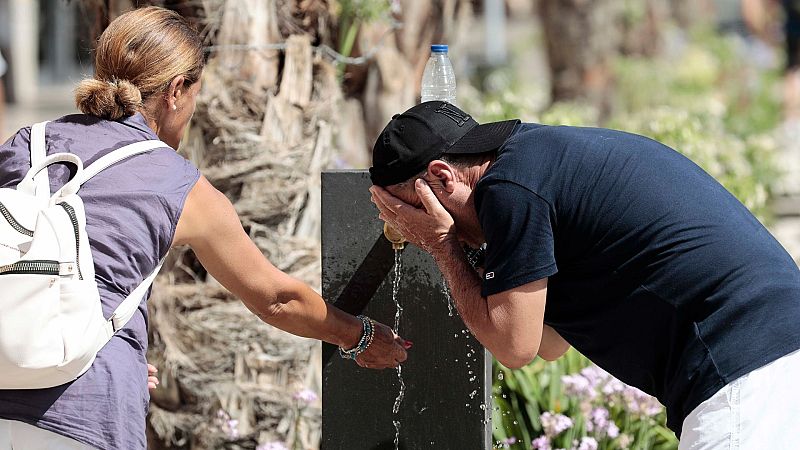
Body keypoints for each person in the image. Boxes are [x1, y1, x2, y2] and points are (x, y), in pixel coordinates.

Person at [0, 7, 408, 449]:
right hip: (87, 412)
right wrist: (361, 335)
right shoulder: (177, 182)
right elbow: (276, 299)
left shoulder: (28, 143)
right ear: (177, 91)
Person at [369, 101, 800, 448]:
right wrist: (477, 255)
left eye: (410, 211)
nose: (410, 228)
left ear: (441, 178)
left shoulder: (508, 190)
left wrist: (442, 245)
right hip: (776, 353)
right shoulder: (538, 161)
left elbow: (514, 346)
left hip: (744, 370)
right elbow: (547, 343)